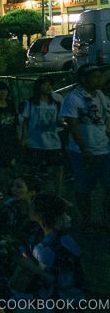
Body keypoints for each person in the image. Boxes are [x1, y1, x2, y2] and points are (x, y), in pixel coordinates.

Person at [60, 63, 110, 233]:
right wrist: (84, 149)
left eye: (99, 76)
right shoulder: (73, 98)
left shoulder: (101, 96)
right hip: (83, 152)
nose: (98, 79)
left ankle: (105, 219)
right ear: (83, 79)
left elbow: (106, 119)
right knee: (84, 188)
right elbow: (72, 125)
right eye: (94, 76)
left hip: (104, 148)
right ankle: (86, 221)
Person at [19, 75, 65, 195]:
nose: (48, 86)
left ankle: (58, 193)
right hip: (35, 140)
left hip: (53, 140)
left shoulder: (56, 102)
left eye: (50, 84)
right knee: (30, 167)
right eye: (45, 84)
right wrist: (23, 138)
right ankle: (27, 192)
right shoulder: (31, 103)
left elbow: (61, 119)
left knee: (58, 167)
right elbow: (25, 120)